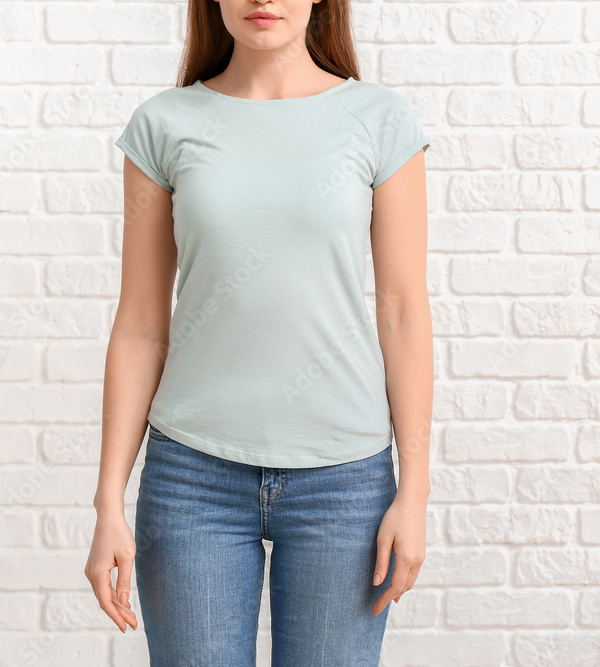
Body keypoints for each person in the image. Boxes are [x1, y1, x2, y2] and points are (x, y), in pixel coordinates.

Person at [84, 0, 433, 664]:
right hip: (192, 477)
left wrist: (414, 489)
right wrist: (107, 502)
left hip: (344, 480)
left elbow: (404, 311)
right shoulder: (165, 125)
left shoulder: (380, 121)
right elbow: (139, 326)